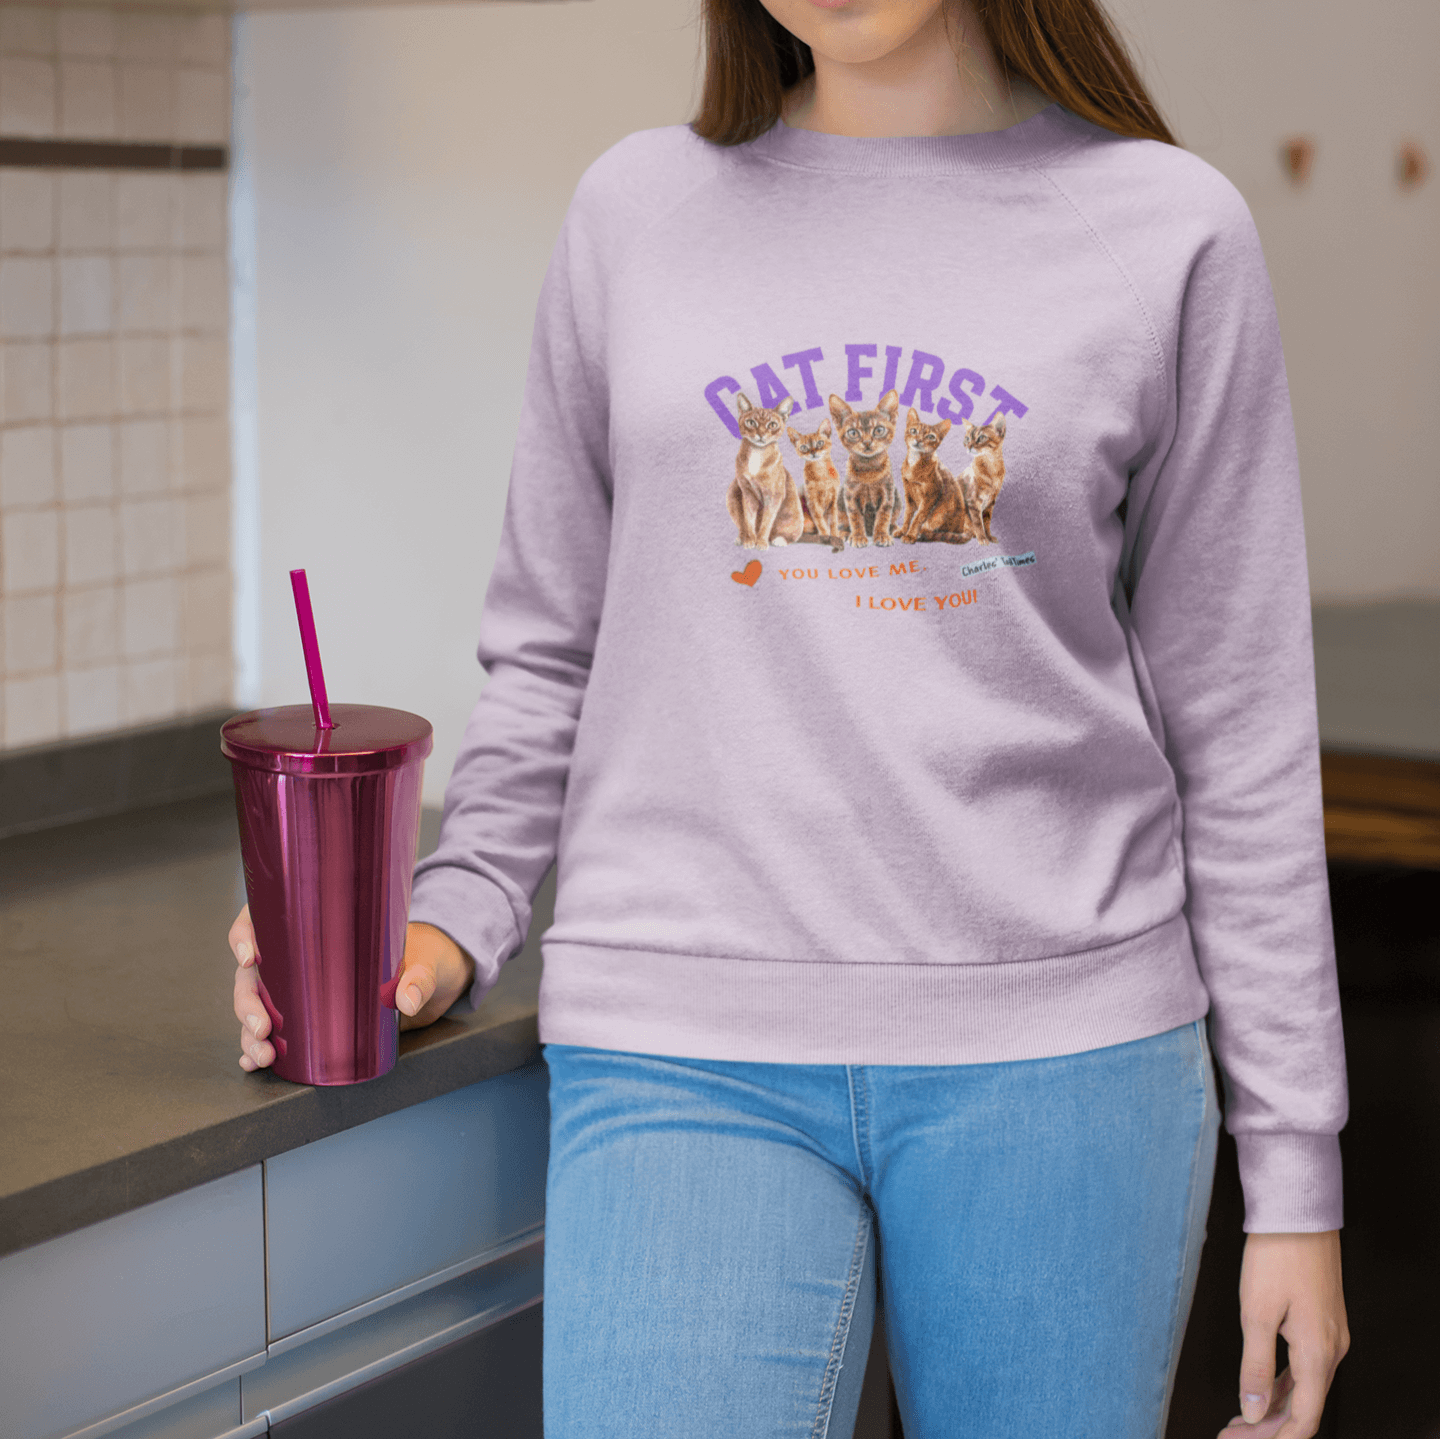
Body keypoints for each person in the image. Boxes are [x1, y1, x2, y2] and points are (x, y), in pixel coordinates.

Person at [228, 0, 1351, 1433]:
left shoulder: (1169, 229)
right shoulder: (635, 211)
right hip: (681, 1036)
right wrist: (452, 912)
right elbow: (552, 644)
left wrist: (1298, 1180)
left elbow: (1241, 725)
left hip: (1067, 1062)